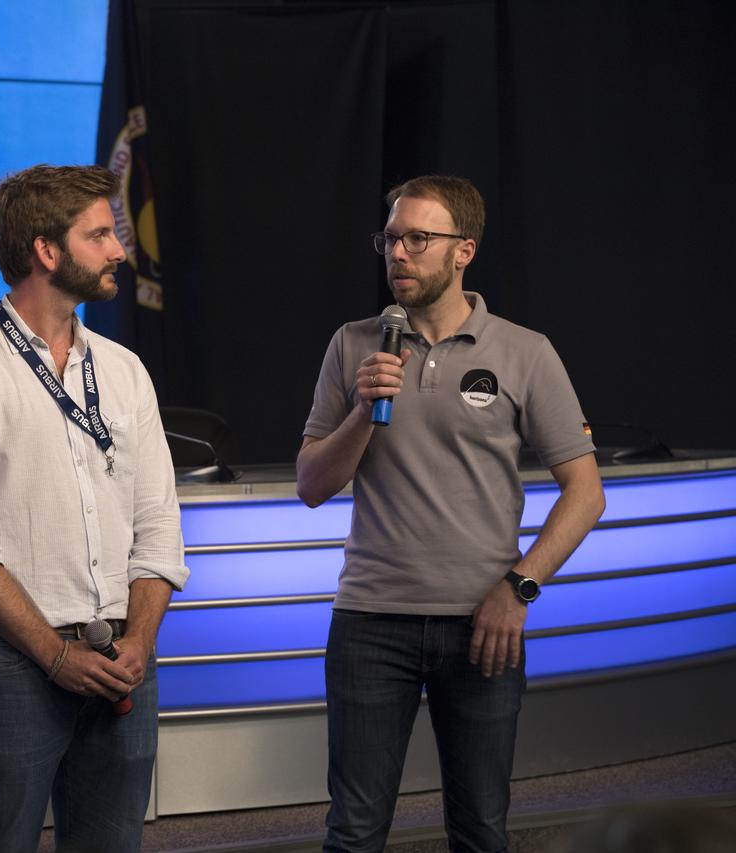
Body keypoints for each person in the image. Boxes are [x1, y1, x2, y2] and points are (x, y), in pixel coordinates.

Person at [295, 175, 606, 852]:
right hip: (371, 623)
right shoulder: (354, 345)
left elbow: (586, 494)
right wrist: (362, 408)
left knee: (479, 829)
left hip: (484, 625)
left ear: (463, 250)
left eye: (417, 239)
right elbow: (312, 485)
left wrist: (518, 587)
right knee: (352, 832)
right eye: (390, 238)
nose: (397, 253)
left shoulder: (526, 352)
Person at [0, 164, 188, 853]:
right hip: (10, 666)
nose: (119, 249)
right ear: (46, 250)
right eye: (99, 235)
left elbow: (158, 527)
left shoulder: (123, 369)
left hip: (124, 658)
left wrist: (138, 644)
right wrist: (56, 656)